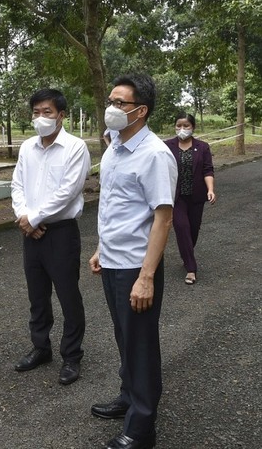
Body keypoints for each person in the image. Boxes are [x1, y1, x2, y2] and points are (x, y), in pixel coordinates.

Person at [89, 74, 177, 449]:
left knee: (140, 344)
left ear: (140, 111)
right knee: (124, 337)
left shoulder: (155, 154)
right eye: (110, 101)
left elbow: (163, 217)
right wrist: (99, 246)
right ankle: (128, 398)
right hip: (112, 260)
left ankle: (142, 429)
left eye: (119, 103)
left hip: (135, 267)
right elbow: (115, 206)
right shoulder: (114, 147)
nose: (111, 108)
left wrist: (147, 276)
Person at [11, 89, 91, 385]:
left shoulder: (75, 147)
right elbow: (17, 184)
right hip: (30, 233)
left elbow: (68, 191)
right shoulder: (28, 147)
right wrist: (24, 218)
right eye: (36, 112)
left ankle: (71, 356)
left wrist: (34, 218)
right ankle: (40, 347)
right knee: (37, 295)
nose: (41, 117)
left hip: (60, 233)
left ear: (61, 115)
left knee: (68, 295)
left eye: (47, 112)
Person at [164, 112, 216, 285]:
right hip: (176, 198)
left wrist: (210, 189)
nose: (182, 129)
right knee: (182, 228)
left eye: (186, 126)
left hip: (196, 196)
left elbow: (208, 170)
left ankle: (186, 253)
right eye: (179, 125)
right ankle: (191, 269)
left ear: (192, 127)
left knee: (193, 231)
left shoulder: (202, 147)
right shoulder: (167, 146)